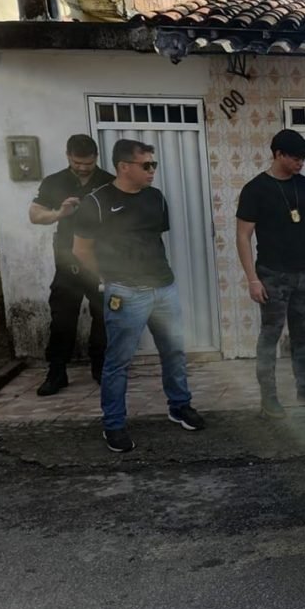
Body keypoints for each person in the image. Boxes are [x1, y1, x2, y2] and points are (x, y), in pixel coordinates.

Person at [72, 139, 204, 452]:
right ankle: (114, 424)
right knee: (118, 361)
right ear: (123, 167)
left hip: (164, 288)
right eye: (146, 165)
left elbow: (153, 238)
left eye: (153, 164)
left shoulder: (155, 198)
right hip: (126, 293)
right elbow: (80, 249)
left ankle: (179, 406)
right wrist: (107, 279)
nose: (152, 170)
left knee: (174, 351)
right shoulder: (97, 203)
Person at [236, 129, 305, 419]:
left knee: (301, 334)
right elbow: (243, 236)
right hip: (272, 274)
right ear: (278, 154)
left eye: (303, 158)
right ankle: (269, 398)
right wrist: (252, 279)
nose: (301, 163)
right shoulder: (256, 189)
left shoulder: (304, 185)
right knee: (270, 335)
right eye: (295, 158)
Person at [29, 135, 114, 395]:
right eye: (78, 162)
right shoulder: (55, 182)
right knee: (62, 319)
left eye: (88, 162)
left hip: (100, 263)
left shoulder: (108, 182)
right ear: (68, 156)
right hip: (67, 263)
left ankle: (101, 368)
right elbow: (34, 214)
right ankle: (57, 372)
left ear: (96, 158)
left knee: (103, 318)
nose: (83, 167)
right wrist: (59, 214)